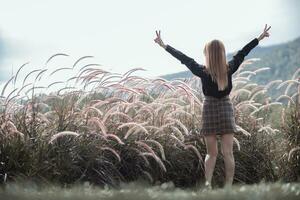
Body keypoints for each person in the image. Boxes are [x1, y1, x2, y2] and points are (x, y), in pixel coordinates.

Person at [154, 24, 271, 189]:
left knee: (211, 153)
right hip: (225, 109)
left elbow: (184, 58)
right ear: (222, 53)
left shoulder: (202, 71)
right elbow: (243, 52)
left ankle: (208, 185)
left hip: (209, 109)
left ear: (207, 54)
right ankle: (228, 187)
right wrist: (259, 38)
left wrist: (164, 45)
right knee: (228, 153)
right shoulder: (229, 68)